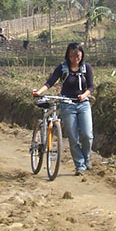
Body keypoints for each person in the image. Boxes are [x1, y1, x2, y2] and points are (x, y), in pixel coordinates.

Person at [32, 42, 95, 177]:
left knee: (87, 135)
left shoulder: (86, 68)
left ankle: (86, 158)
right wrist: (39, 92)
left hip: (83, 104)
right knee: (73, 137)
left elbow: (91, 87)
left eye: (77, 55)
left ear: (82, 54)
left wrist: (84, 95)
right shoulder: (62, 68)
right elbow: (50, 82)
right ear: (68, 55)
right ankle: (80, 165)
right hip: (67, 104)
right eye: (72, 56)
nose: (75, 58)